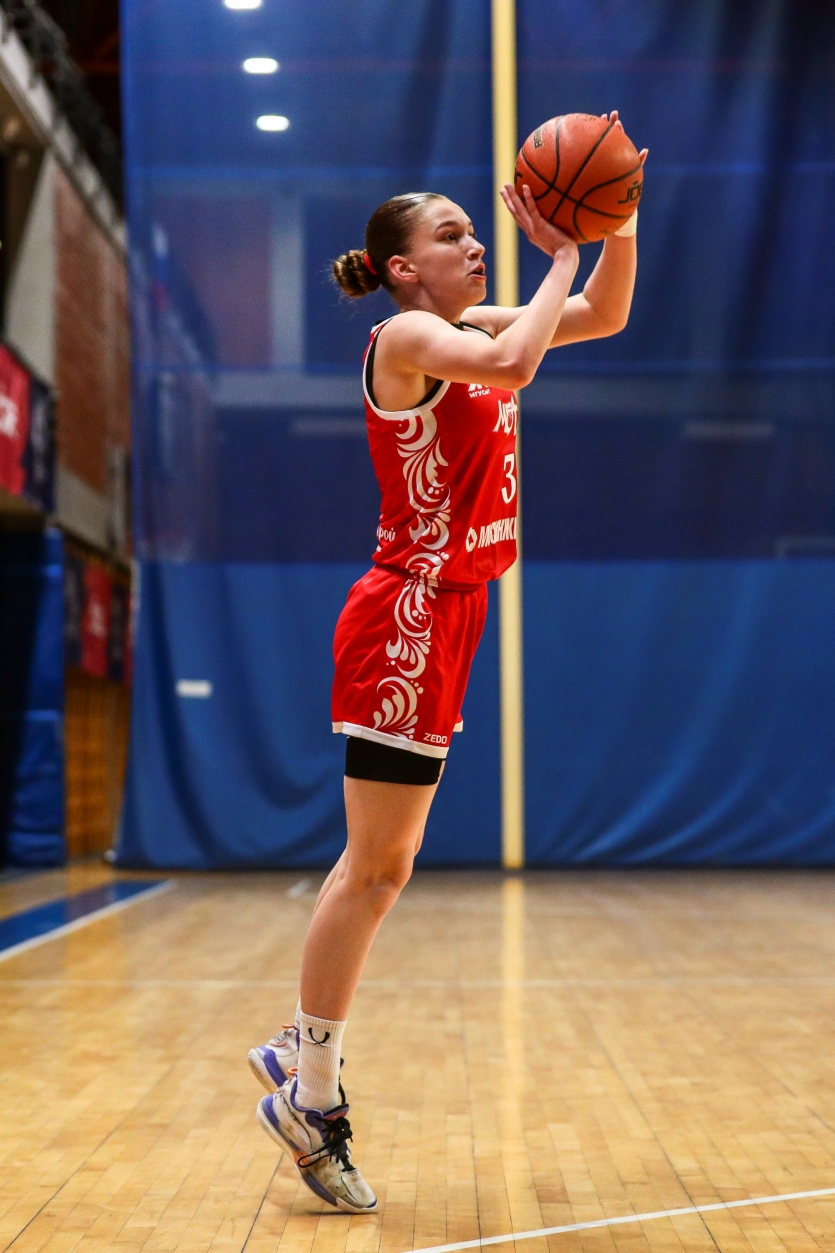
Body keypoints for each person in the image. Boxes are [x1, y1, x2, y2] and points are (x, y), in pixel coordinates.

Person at [249, 115, 647, 1214]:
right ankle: (309, 1090)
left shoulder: (465, 321)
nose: (476, 244)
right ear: (400, 269)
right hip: (406, 620)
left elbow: (605, 314)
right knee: (374, 872)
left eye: (478, 231)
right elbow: (517, 362)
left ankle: (298, 1054)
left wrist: (615, 219)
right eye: (454, 235)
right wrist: (557, 251)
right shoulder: (409, 340)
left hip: (449, 616)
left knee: (383, 868)